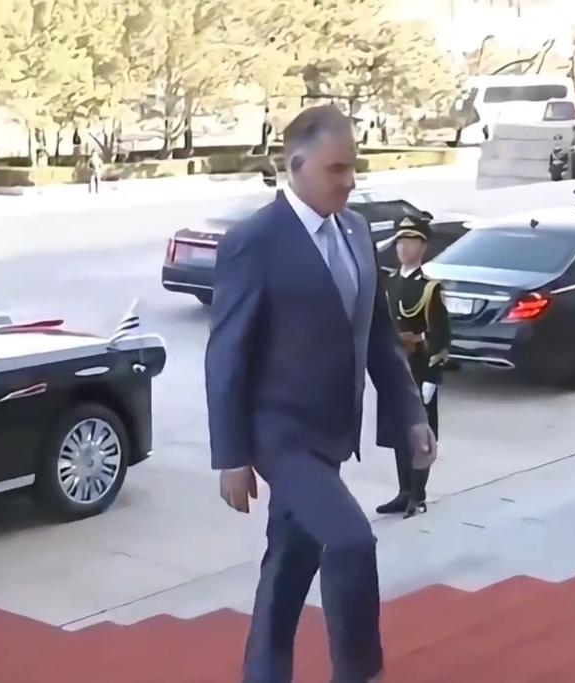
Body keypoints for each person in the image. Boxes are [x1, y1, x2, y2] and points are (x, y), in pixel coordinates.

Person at [205, 105, 436, 683]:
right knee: (351, 542)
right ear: (296, 165)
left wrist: (411, 415)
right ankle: (358, 672)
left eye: (353, 167)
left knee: (290, 559)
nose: (350, 180)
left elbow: (379, 336)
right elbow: (226, 353)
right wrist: (231, 455)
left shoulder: (356, 231)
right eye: (337, 169)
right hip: (281, 436)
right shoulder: (254, 241)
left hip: (332, 434)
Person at [375, 216, 451, 519]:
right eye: (400, 243)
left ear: (423, 247)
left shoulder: (430, 288)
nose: (404, 248)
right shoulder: (389, 282)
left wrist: (433, 375)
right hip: (395, 367)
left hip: (419, 366)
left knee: (420, 434)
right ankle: (404, 491)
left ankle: (418, 496)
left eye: (411, 242)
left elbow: (441, 335)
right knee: (399, 432)